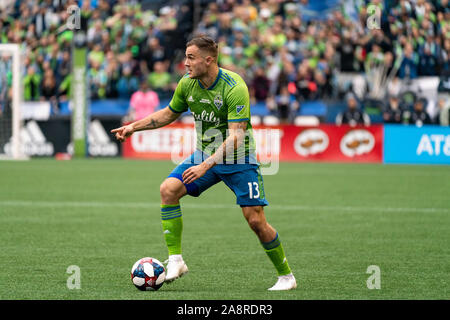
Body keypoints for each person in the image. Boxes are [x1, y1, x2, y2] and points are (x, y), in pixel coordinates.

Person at [111, 35, 296, 291]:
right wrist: (134, 126)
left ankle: (286, 276)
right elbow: (168, 113)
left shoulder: (234, 87)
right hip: (205, 154)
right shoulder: (187, 84)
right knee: (169, 190)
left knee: (255, 221)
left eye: (191, 58)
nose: (185, 63)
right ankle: (176, 261)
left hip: (238, 159)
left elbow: (236, 136)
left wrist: (205, 165)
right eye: (186, 57)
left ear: (208, 60)